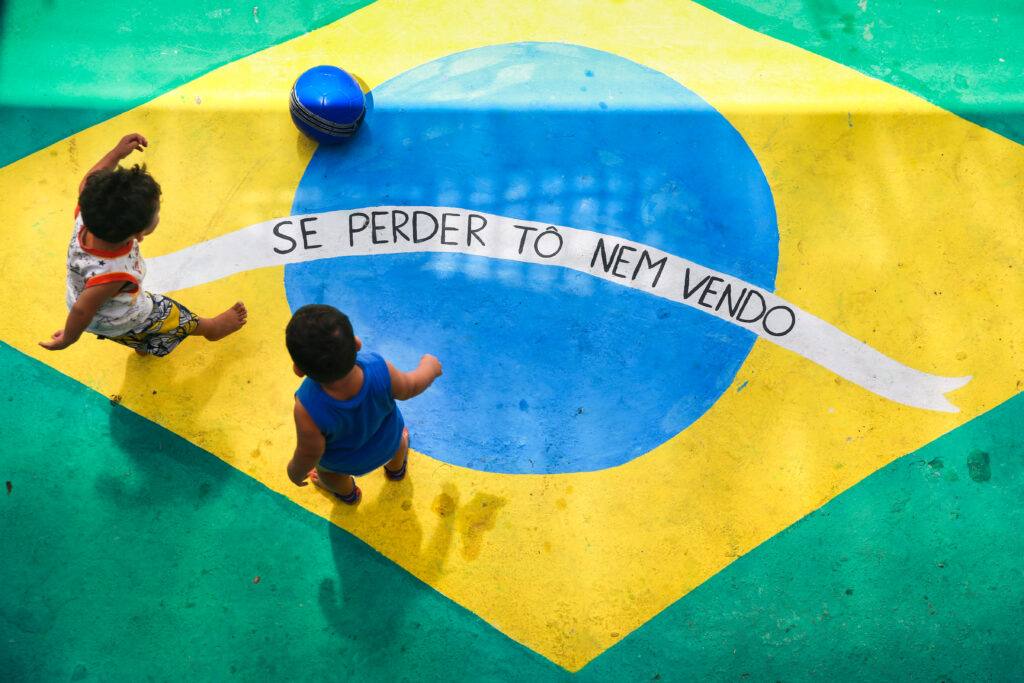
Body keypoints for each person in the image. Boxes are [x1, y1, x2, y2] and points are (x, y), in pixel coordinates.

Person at [40, 133, 247, 356]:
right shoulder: (114, 273)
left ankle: (144, 344)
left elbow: (90, 179)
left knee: (133, 332)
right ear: (139, 234)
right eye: (156, 213)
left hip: (93, 311)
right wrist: (68, 339)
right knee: (172, 315)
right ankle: (212, 328)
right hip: (124, 315)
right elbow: (82, 312)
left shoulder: (87, 215)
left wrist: (116, 154)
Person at [285, 304, 443, 504]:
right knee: (398, 440)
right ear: (357, 343)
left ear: (298, 369)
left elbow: (309, 453)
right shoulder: (379, 368)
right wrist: (429, 368)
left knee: (329, 474)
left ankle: (348, 495)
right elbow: (410, 387)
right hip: (388, 442)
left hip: (343, 463)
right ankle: (396, 470)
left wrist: (295, 473)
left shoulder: (306, 408)